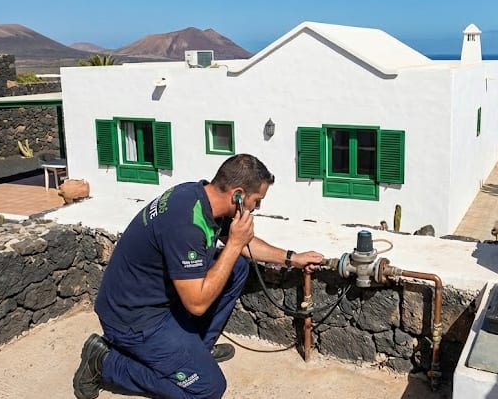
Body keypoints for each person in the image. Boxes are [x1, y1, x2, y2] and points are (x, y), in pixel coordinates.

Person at [73, 154, 326, 399]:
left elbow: (242, 243)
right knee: (207, 389)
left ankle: (196, 353)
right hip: (133, 318)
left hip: (155, 302)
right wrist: (235, 244)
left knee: (237, 266)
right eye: (256, 201)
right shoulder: (186, 224)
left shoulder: (199, 197)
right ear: (237, 195)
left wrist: (292, 257)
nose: (257, 208)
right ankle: (105, 362)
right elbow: (197, 304)